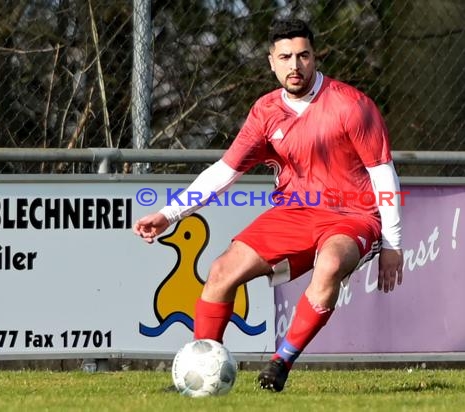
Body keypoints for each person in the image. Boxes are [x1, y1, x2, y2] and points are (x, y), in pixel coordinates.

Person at [133, 18, 404, 392]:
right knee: (220, 271)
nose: (295, 66)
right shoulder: (265, 112)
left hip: (352, 216)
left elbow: (383, 175)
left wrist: (392, 243)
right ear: (271, 62)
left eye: (304, 56)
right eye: (286, 57)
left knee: (328, 266)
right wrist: (169, 214)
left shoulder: (352, 106)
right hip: (294, 213)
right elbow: (224, 172)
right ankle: (198, 371)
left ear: (316, 57)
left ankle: (280, 364)